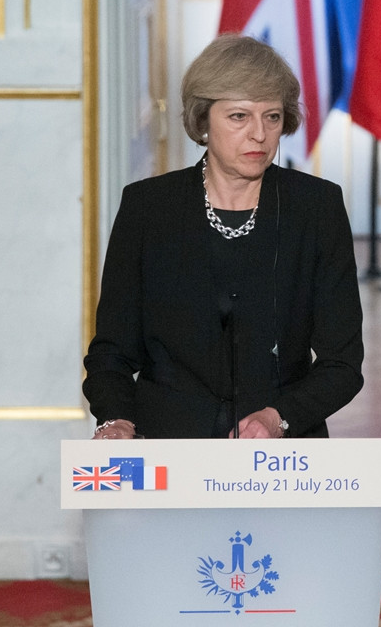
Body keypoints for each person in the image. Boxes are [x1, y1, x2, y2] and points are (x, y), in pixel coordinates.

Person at [83, 34, 363, 440]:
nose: (259, 134)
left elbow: (343, 363)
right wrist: (115, 418)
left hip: (280, 451)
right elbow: (112, 351)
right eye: (238, 116)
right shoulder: (148, 208)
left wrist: (279, 417)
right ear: (203, 120)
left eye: (272, 117)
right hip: (167, 445)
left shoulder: (316, 208)